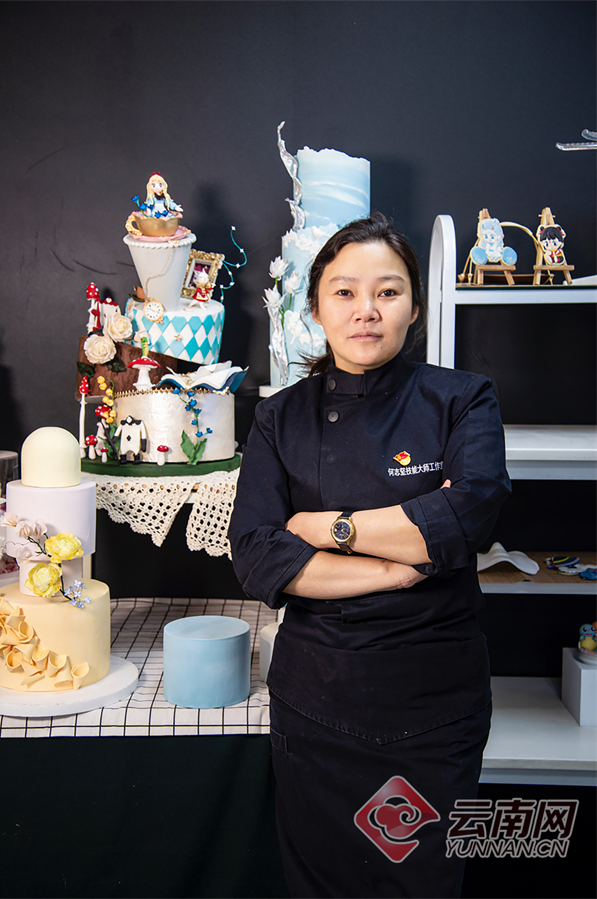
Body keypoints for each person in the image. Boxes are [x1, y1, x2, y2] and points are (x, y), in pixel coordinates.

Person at [228, 213, 511, 898]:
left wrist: (328, 528)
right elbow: (258, 553)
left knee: (424, 883)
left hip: (434, 704)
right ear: (315, 307)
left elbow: (470, 514)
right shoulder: (279, 417)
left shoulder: (462, 398)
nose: (366, 310)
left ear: (414, 307)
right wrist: (394, 563)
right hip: (317, 701)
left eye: (387, 291)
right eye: (345, 292)